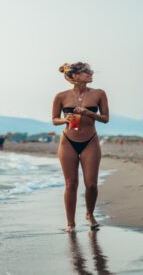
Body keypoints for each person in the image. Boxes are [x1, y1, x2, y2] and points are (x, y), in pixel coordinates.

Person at [52, 62, 109, 232]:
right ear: (75, 76)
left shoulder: (99, 94)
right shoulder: (61, 96)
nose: (90, 74)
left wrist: (88, 112)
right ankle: (70, 223)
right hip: (68, 141)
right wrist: (65, 119)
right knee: (71, 183)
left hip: (90, 140)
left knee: (91, 184)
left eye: (90, 72)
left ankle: (89, 214)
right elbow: (54, 119)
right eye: (86, 72)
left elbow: (105, 118)